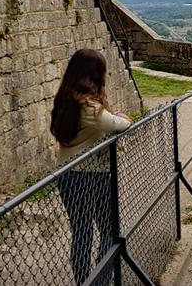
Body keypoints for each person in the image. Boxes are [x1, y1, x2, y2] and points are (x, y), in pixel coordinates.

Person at [50, 49, 132, 285]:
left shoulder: (64, 102)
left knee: (82, 234)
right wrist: (123, 117)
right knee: (107, 230)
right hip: (93, 175)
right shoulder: (90, 108)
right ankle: (99, 282)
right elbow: (120, 124)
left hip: (68, 175)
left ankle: (83, 281)